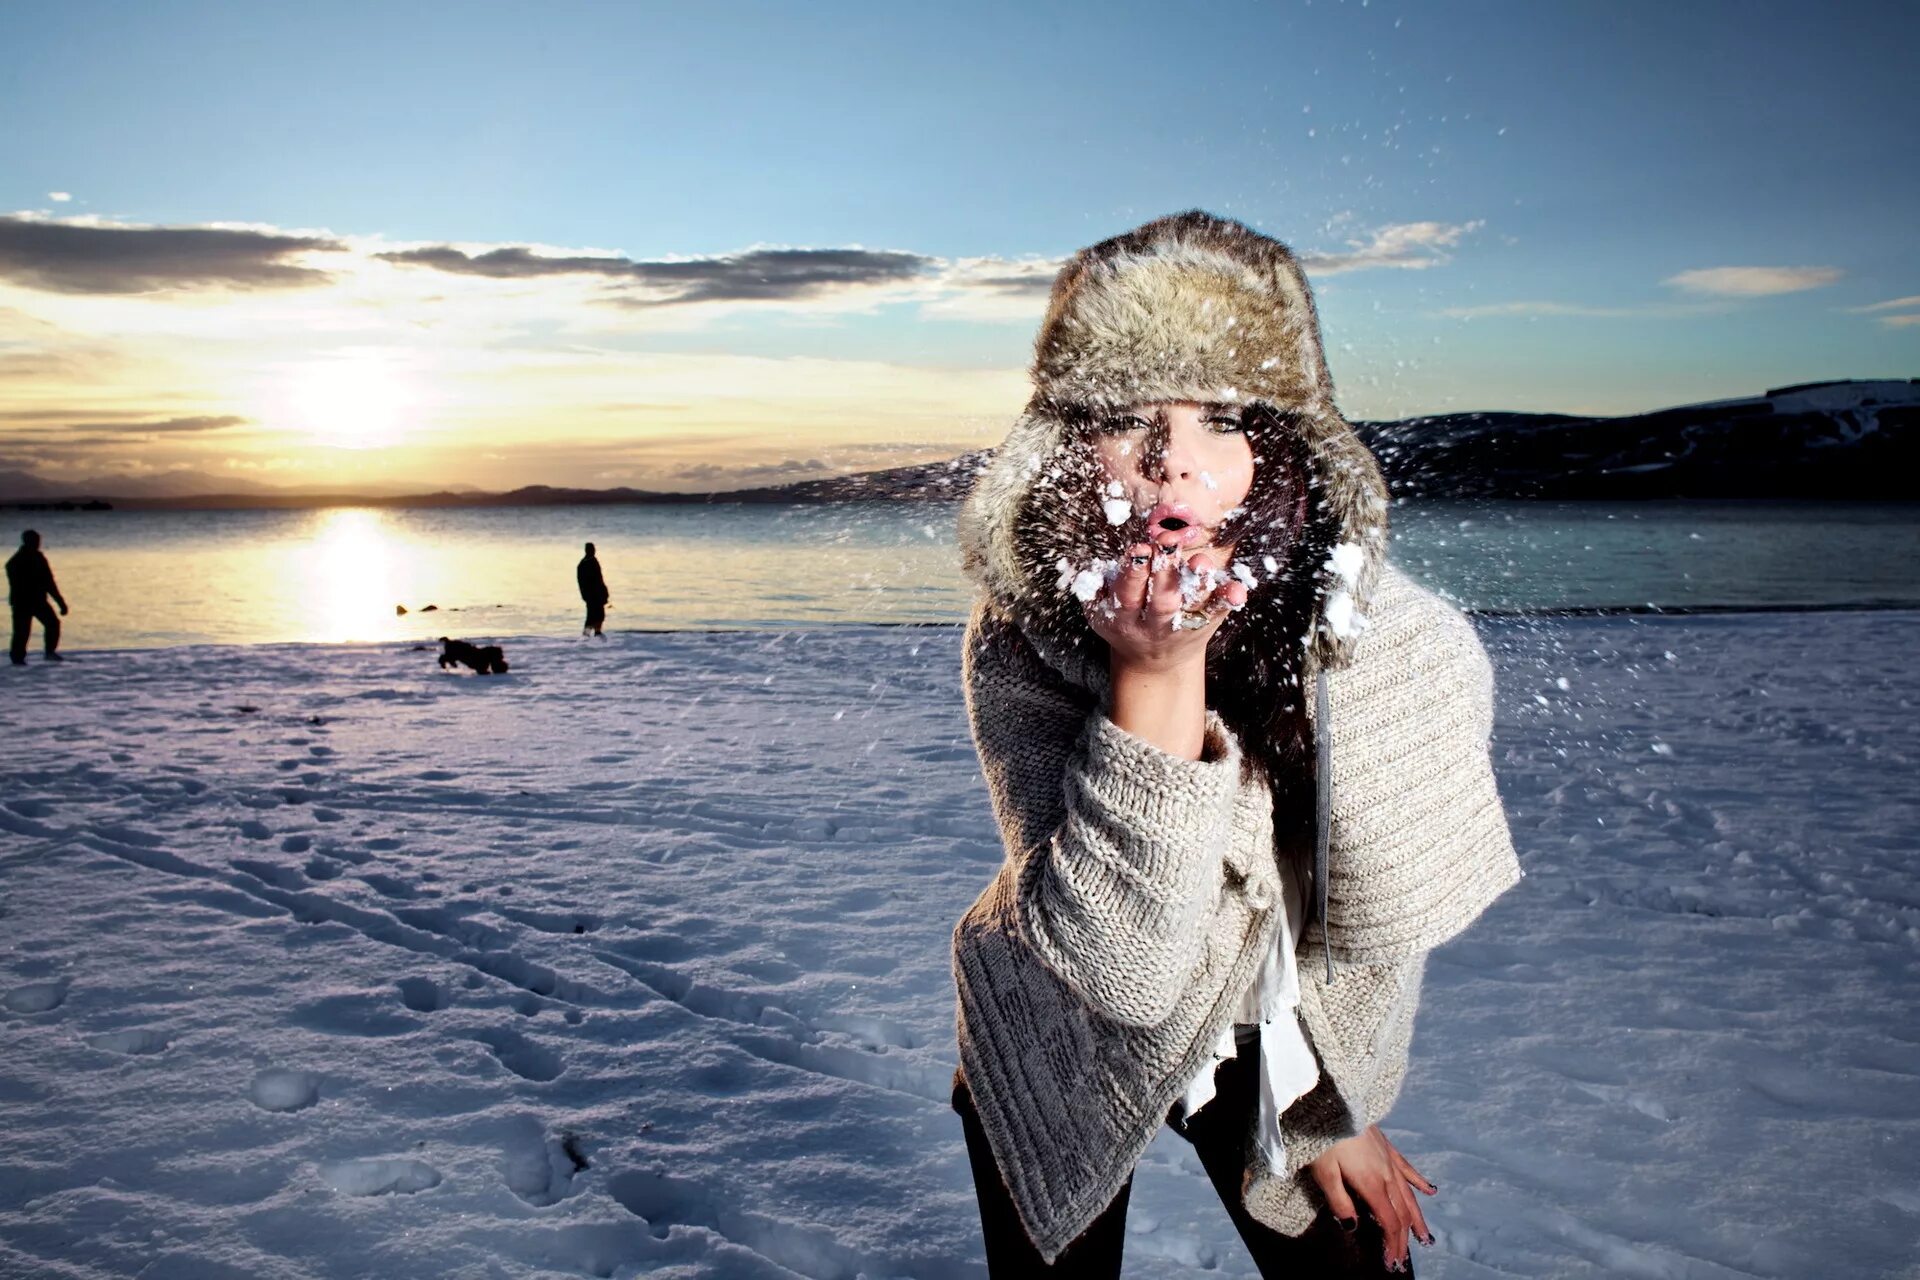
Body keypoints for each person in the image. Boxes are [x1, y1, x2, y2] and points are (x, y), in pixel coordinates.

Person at [948, 211, 1524, 1276]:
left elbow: (1369, 927)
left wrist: (1333, 1103)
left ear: (1284, 442)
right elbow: (1119, 963)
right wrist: (1155, 674)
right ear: (1071, 444)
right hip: (1063, 1018)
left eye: (1221, 419)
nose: (1172, 463)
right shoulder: (1026, 630)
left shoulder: (1393, 642)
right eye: (1127, 418)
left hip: (1270, 1034)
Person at [7, 529, 69, 666]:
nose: (38, 543)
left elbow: (49, 582)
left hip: (37, 601)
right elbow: (48, 582)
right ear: (28, 541)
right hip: (24, 602)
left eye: (38, 541)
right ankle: (17, 658)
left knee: (52, 624)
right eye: (35, 541)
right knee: (22, 631)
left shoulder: (37, 558)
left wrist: (60, 602)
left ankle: (49, 652)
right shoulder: (17, 561)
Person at [577, 541, 610, 638]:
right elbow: (583, 582)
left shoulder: (592, 561)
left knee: (599, 615)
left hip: (597, 593)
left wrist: (604, 591)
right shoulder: (584, 564)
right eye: (591, 549)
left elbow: (600, 579)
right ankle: (586, 634)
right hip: (591, 595)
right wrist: (585, 595)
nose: (593, 551)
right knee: (592, 616)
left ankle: (597, 632)